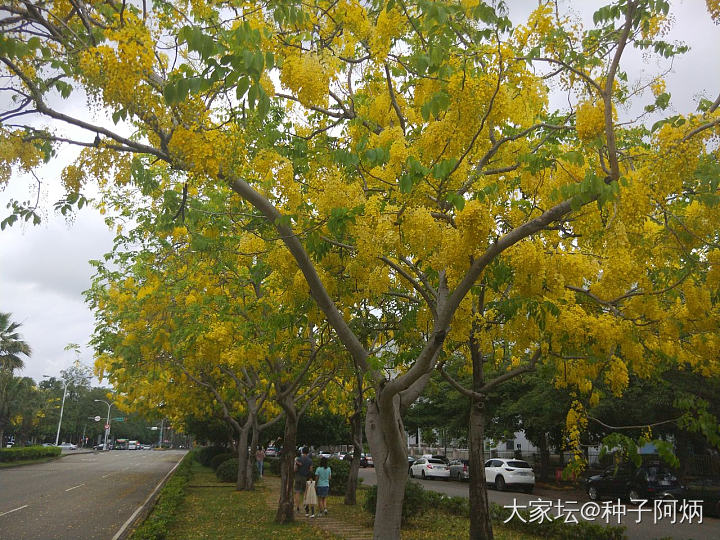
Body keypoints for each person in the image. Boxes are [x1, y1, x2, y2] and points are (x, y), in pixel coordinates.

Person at [294, 447, 313, 513]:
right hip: (305, 477)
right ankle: (305, 504)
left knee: (297, 492)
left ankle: (297, 507)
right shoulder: (310, 460)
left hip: (298, 477)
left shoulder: (299, 459)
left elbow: (295, 469)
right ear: (308, 452)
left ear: (302, 451)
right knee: (305, 492)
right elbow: (311, 470)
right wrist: (310, 477)